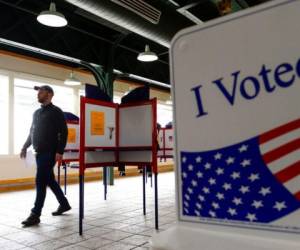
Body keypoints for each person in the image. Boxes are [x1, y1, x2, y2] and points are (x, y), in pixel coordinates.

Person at [20, 85, 71, 227]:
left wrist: (60, 151)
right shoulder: (36, 113)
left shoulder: (56, 112)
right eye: (38, 92)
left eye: (41, 92)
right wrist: (25, 146)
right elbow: (32, 132)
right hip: (39, 152)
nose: (38, 94)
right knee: (49, 180)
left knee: (40, 180)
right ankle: (64, 204)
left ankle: (35, 214)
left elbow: (64, 132)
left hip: (49, 153)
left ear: (49, 94)